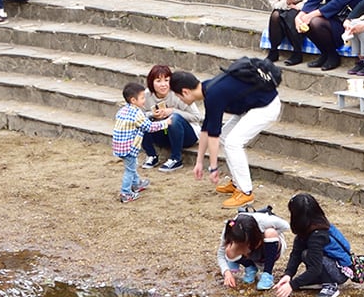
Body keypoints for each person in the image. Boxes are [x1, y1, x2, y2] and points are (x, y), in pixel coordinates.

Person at [170, 66, 281, 209]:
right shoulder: (208, 89)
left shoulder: (213, 94)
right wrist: (199, 162)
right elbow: (206, 130)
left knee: (233, 143)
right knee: (225, 137)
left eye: (178, 96)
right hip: (251, 106)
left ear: (185, 91)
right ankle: (237, 183)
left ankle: (246, 192)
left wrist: (213, 168)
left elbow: (213, 135)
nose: (180, 100)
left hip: (265, 107)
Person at [273, 193, 353, 297]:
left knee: (308, 254)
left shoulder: (318, 235)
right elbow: (296, 254)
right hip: (327, 264)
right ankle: (320, 280)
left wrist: (292, 285)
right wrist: (288, 275)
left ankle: (330, 285)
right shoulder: (307, 230)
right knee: (304, 253)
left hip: (340, 271)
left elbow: (315, 269)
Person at [112, 82, 167, 203]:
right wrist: (165, 123)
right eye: (142, 98)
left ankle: (137, 184)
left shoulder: (123, 110)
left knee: (131, 165)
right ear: (133, 100)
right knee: (130, 170)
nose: (144, 100)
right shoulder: (137, 113)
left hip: (119, 146)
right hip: (129, 147)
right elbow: (149, 127)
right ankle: (125, 193)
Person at [140, 64, 201, 173]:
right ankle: (151, 156)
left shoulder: (177, 94)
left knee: (175, 118)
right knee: (142, 121)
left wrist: (172, 111)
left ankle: (175, 158)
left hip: (187, 135)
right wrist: (152, 115)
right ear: (151, 82)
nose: (163, 85)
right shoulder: (147, 95)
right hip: (162, 133)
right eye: (158, 81)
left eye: (166, 80)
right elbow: (139, 115)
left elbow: (197, 117)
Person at [218, 206, 291, 291]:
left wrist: (262, 236)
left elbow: (286, 226)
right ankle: (250, 267)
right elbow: (220, 254)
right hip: (253, 247)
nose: (245, 251)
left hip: (265, 248)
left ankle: (267, 274)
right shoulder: (231, 228)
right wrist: (227, 272)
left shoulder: (264, 221)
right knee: (229, 250)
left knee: (270, 232)